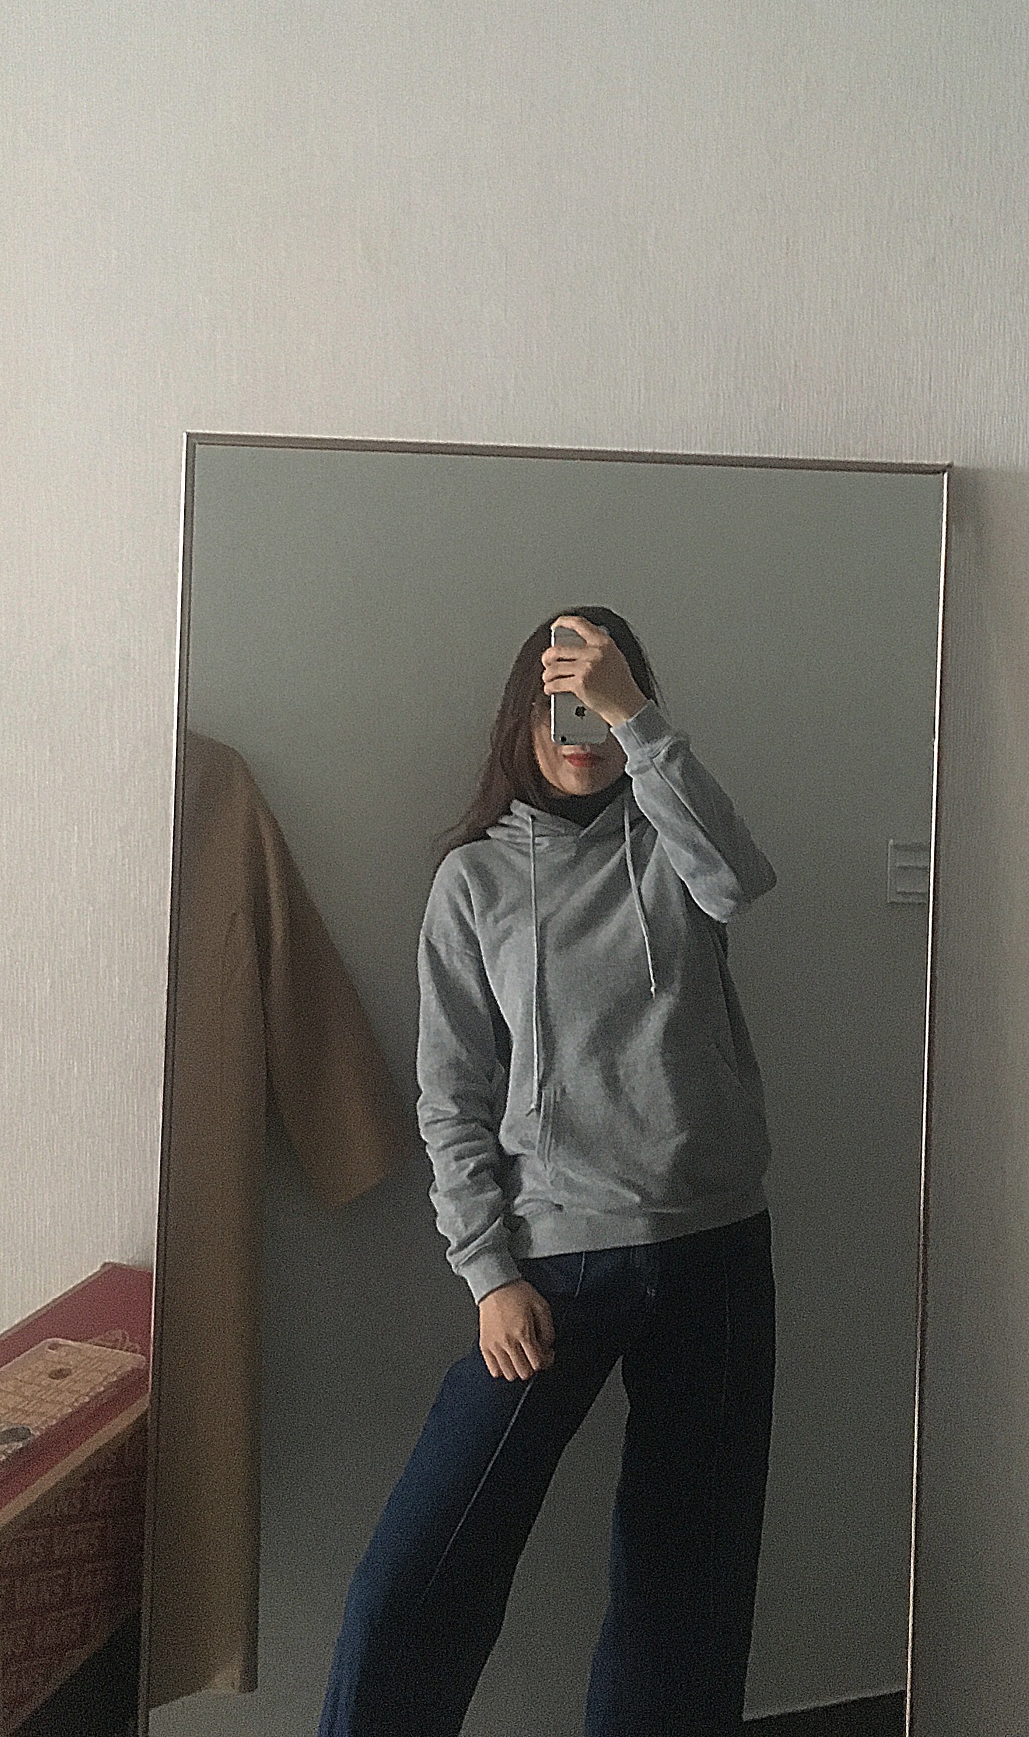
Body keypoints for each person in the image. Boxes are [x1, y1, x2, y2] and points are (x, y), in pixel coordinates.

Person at [317, 606, 779, 1737]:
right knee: (423, 1568)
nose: (580, 732)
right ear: (521, 720)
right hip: (555, 1267)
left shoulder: (676, 841)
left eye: (599, 704)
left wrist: (640, 724)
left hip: (716, 1248)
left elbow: (740, 883)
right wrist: (487, 1273)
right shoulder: (473, 881)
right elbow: (451, 1093)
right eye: (559, 704)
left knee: (689, 1579)